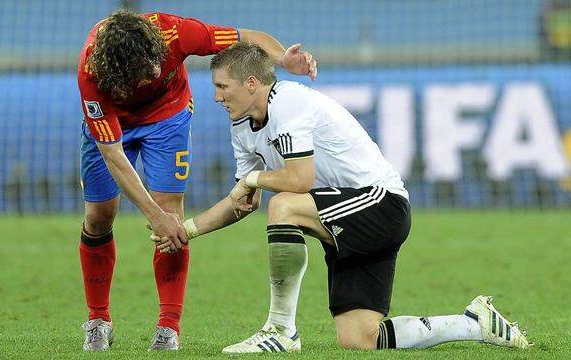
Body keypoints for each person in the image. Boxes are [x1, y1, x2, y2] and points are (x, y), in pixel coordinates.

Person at [153, 42, 531, 353]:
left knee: (283, 203)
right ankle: (473, 324)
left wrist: (252, 178)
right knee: (360, 339)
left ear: (252, 83)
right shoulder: (242, 127)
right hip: (344, 217)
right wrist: (186, 229)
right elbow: (242, 201)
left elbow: (299, 180)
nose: (216, 97)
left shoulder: (289, 102)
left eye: (222, 87)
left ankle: (280, 331)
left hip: (380, 204)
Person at [77, 9, 317, 352]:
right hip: (116, 127)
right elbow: (113, 155)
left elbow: (247, 37)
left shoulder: (173, 31)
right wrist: (151, 215)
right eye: (145, 73)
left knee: (170, 216)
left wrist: (283, 59)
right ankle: (98, 319)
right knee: (99, 217)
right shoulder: (91, 75)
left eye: (156, 61)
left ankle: (168, 327)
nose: (157, 71)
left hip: (167, 118)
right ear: (119, 73)